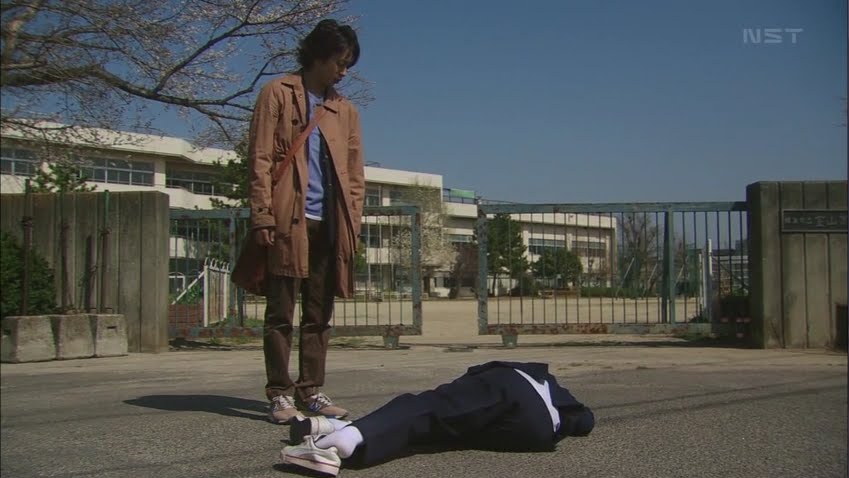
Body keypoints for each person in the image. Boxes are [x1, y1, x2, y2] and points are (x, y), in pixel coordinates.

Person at [247, 19, 365, 424]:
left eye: (348, 64)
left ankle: (311, 390)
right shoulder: (277, 93)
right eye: (340, 62)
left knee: (319, 313)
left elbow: (355, 175)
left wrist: (353, 224)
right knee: (280, 312)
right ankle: (279, 394)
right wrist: (262, 214)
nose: (344, 72)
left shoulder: (344, 110)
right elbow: (260, 159)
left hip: (330, 222)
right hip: (287, 220)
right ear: (318, 55)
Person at [279, 361, 595, 476]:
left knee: (427, 407)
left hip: (510, 386)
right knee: (441, 431)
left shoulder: (509, 372)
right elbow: (586, 422)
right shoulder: (561, 395)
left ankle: (340, 441)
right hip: (538, 433)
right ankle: (339, 428)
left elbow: (441, 401)